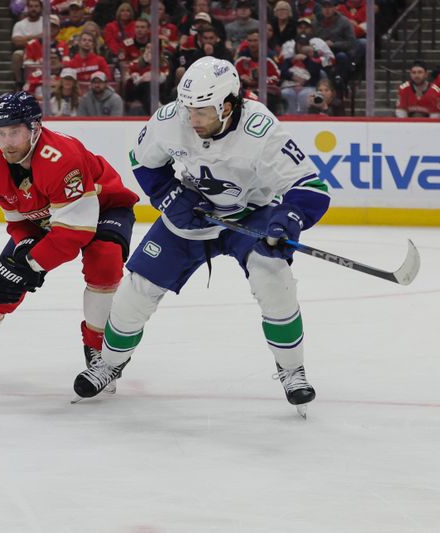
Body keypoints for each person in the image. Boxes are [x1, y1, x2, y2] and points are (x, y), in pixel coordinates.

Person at [72, 57, 331, 418]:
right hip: (192, 214)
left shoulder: (261, 130)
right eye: (188, 109)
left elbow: (311, 187)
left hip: (251, 214)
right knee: (138, 288)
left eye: (203, 112)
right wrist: (167, 195)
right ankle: (110, 365)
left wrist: (288, 218)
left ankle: (292, 369)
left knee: (273, 277)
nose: (192, 121)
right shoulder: (172, 118)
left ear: (228, 105)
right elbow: (143, 161)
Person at [0, 91, 139, 384]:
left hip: (104, 208)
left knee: (103, 261)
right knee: (0, 286)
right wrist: (24, 247)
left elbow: (73, 236)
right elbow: (18, 222)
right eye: (1, 133)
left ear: (35, 128)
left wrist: (31, 265)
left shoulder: (62, 158)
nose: (7, 142)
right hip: (49, 219)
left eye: (15, 132)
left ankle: (100, 355)